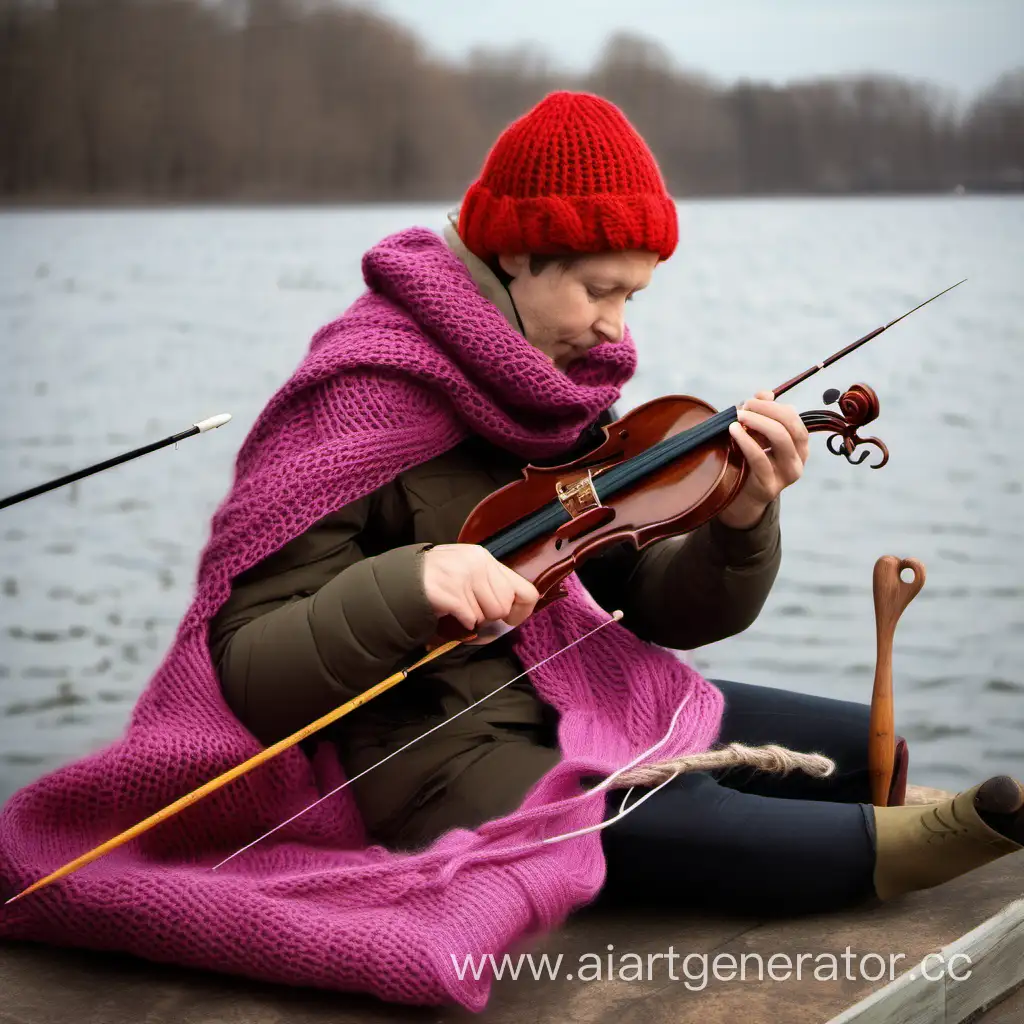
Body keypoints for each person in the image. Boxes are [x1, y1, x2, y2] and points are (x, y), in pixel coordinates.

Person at [207, 90, 1023, 919]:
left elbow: (652, 603)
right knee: (707, 819)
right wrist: (412, 583)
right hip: (431, 758)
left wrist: (741, 527)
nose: (614, 328)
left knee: (853, 747)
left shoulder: (560, 392)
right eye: (601, 290)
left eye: (633, 297)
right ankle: (879, 853)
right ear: (520, 254)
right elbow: (247, 669)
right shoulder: (357, 393)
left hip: (575, 691)